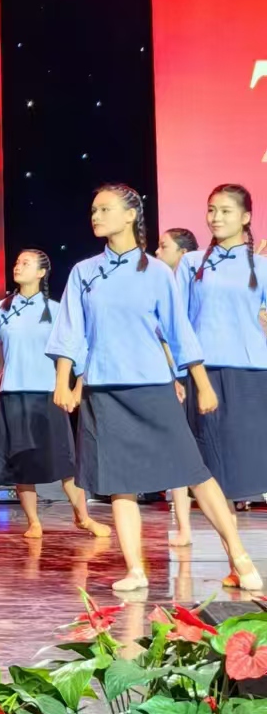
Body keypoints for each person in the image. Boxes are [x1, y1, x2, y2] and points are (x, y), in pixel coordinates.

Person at [47, 182, 262, 596]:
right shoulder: (84, 273)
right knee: (120, 482)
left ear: (131, 215)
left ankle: (239, 556)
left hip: (152, 387)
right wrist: (63, 380)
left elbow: (180, 333)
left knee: (195, 472)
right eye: (93, 210)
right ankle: (135, 569)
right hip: (104, 390)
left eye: (105, 209)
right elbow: (71, 332)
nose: (96, 216)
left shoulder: (158, 272)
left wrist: (202, 385)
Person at [0, 249, 108, 540]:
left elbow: (76, 349)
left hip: (48, 395)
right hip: (13, 396)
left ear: (42, 273)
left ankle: (83, 517)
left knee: (65, 461)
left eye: (26, 263)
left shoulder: (56, 310)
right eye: (17, 262)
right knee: (22, 463)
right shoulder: (1, 308)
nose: (18, 266)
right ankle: (33, 522)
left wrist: (76, 387)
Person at [179, 184, 267, 518]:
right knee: (210, 465)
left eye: (225, 211)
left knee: (251, 459)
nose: (216, 217)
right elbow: (178, 323)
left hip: (251, 373)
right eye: (211, 209)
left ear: (245, 218)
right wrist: (176, 375)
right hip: (203, 373)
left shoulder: (261, 266)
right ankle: (230, 542)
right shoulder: (191, 263)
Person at [156, 224, 201, 545]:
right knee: (178, 448)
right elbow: (163, 337)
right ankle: (183, 527)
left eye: (164, 247)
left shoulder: (199, 286)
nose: (157, 252)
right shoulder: (160, 286)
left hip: (204, 371)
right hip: (177, 375)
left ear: (184, 254)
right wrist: (172, 375)